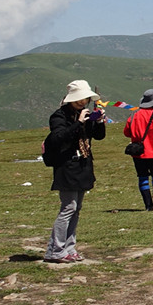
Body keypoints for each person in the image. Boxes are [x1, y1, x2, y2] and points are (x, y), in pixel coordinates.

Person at [44, 79, 107, 263]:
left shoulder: (85, 114)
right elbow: (59, 138)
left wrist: (99, 121)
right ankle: (55, 250)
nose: (82, 102)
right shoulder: (59, 116)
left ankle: (69, 248)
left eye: (85, 99)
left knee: (76, 208)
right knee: (68, 207)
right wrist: (78, 123)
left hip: (83, 165)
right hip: (67, 166)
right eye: (79, 99)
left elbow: (99, 136)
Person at [124, 88, 153, 210]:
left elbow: (127, 132)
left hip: (138, 153)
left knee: (142, 177)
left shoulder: (134, 114)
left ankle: (148, 205)